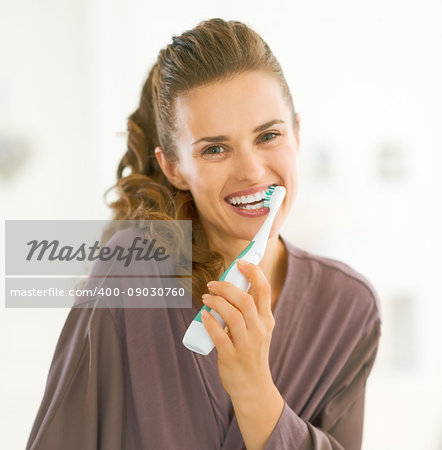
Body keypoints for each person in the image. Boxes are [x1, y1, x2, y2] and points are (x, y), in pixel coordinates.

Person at [25, 18, 382, 450]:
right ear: (173, 167)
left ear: (297, 135)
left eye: (268, 135)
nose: (250, 171)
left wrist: (256, 392)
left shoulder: (347, 307)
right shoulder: (130, 272)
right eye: (215, 148)